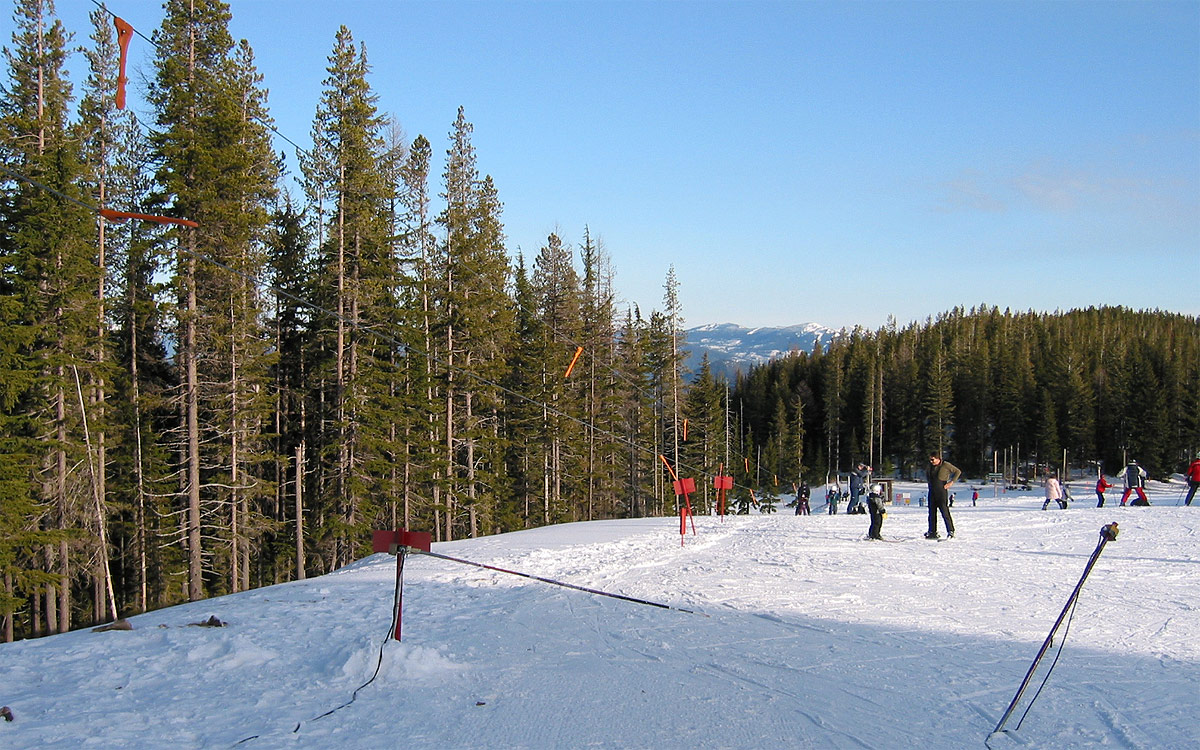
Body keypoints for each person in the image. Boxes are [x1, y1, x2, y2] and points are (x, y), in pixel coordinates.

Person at [925, 454, 961, 539]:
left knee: (944, 511)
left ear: (938, 459)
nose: (931, 461)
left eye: (933, 460)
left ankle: (950, 531)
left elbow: (958, 472)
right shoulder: (929, 466)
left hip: (941, 491)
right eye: (930, 460)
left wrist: (951, 482)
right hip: (932, 491)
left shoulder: (945, 465)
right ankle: (932, 531)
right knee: (931, 512)